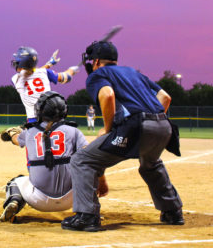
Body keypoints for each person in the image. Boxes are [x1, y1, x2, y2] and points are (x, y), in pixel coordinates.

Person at [61, 41, 183, 232]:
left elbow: (108, 95)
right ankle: (173, 212)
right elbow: (165, 97)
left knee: (82, 160)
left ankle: (87, 216)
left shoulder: (98, 74)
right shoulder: (134, 73)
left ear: (96, 61)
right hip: (164, 125)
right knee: (150, 164)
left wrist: (109, 128)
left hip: (136, 126)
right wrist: (153, 121)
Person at [0, 91, 108, 222]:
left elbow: (17, 139)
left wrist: (12, 133)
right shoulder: (74, 131)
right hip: (72, 199)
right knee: (87, 173)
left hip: (38, 200)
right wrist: (101, 182)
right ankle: (90, 212)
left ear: (40, 111)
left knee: (16, 181)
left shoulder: (31, 132)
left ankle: (14, 201)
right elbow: (91, 160)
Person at [11, 46, 79, 125]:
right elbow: (65, 77)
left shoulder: (15, 79)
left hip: (33, 121)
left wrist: (49, 64)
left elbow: (32, 72)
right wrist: (71, 70)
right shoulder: (45, 73)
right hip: (50, 119)